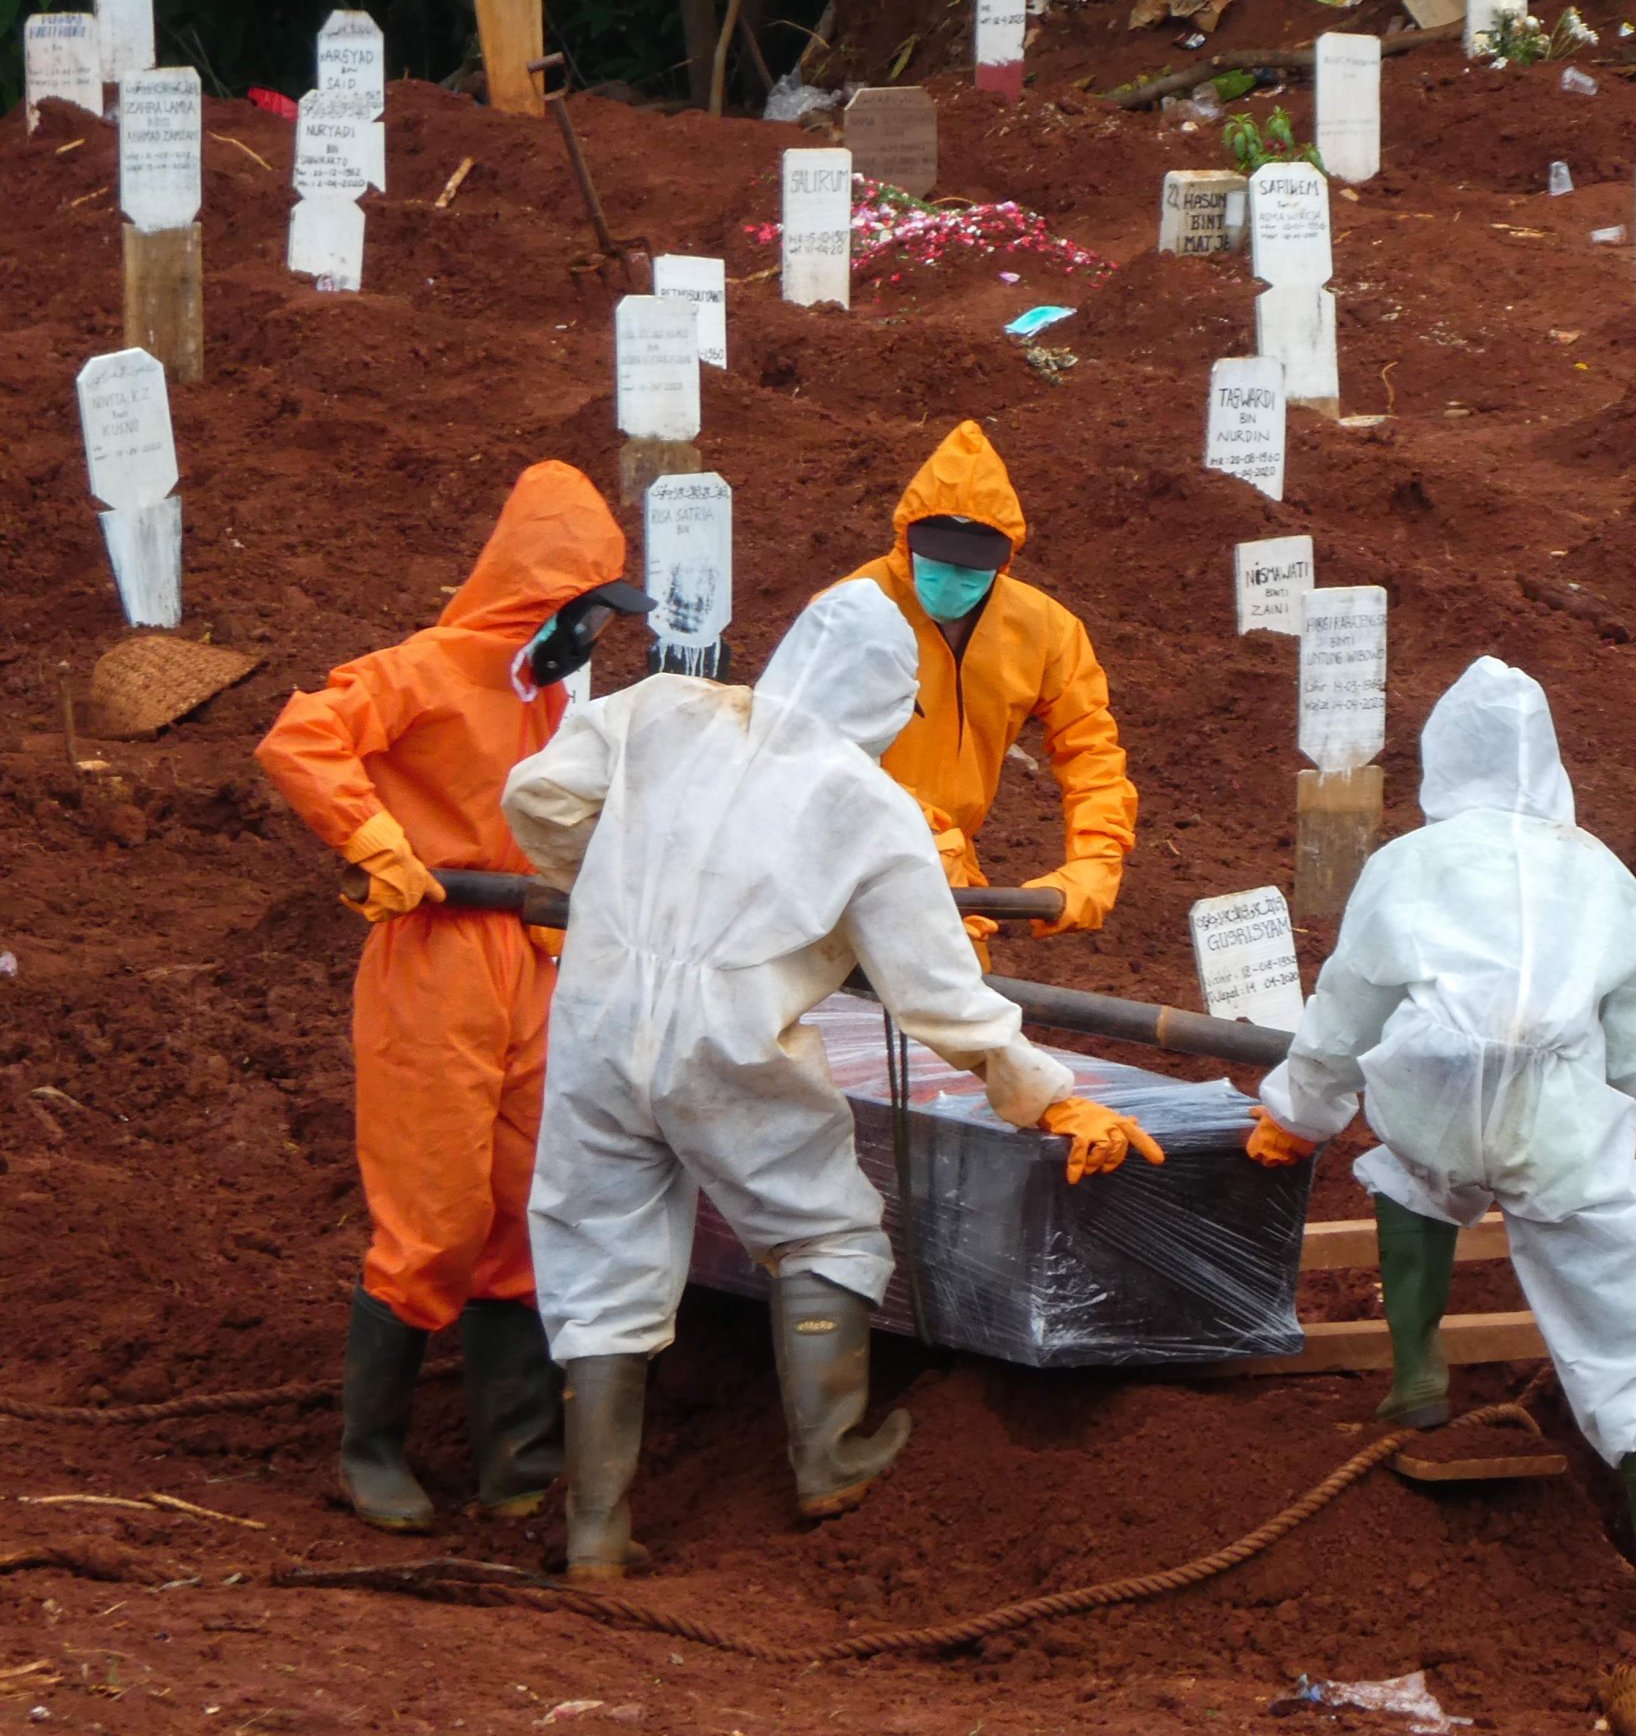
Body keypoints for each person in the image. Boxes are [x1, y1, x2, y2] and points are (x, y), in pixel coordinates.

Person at [500, 581, 1163, 1579]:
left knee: (598, 1247)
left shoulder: (661, 707)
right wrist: (1042, 1089)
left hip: (597, 1013)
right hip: (727, 1039)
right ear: (891, 705)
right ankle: (829, 1455)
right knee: (821, 1226)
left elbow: (534, 797)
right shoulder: (870, 807)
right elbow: (938, 990)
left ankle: (594, 1526)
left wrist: (613, 878)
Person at [1242, 658, 1636, 1666]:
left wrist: (1296, 1113)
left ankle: (1416, 1376)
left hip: (1431, 1092)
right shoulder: (1599, 872)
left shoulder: (1408, 861)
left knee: (1415, 1175)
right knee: (1627, 1338)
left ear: (1445, 757)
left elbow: (1346, 1006)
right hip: (1557, 1116)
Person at [255, 461, 648, 1533]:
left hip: (533, 952)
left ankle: (516, 1457)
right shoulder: (423, 670)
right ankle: (369, 1448)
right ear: (541, 599)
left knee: (526, 1200)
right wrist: (376, 837)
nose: (594, 633)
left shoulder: (557, 695)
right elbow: (301, 736)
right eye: (584, 610)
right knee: (434, 1210)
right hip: (434, 953)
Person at [845, 421, 1135, 953]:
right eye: (935, 565)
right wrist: (923, 842)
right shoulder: (851, 611)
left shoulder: (1044, 629)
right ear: (907, 542)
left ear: (1003, 562)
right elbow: (809, 751)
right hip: (845, 860)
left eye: (970, 571)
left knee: (950, 1010)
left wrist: (1096, 860)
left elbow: (1091, 748)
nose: (950, 582)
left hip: (950, 864)